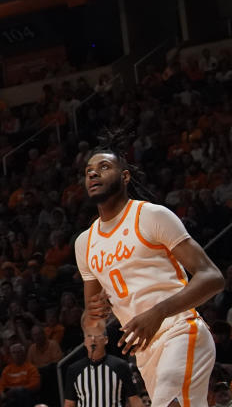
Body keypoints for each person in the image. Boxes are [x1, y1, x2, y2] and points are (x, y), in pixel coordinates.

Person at [74, 137, 224, 407]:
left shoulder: (152, 216)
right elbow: (92, 319)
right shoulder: (84, 242)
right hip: (144, 353)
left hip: (181, 331)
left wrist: (157, 313)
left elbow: (212, 277)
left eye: (104, 167)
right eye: (88, 171)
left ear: (125, 176)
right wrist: (93, 317)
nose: (93, 173)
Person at [63, 317, 141, 407]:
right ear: (85, 342)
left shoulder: (119, 366)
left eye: (96, 335)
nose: (92, 339)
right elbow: (69, 404)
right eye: (89, 335)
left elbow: (134, 399)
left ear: (105, 340)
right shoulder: (74, 370)